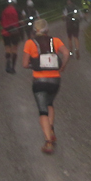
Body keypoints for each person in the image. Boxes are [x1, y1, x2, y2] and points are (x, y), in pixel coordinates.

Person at [22, 19, 70, 154]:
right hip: (55, 80)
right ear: (47, 30)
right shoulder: (56, 41)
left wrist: (34, 65)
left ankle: (48, 143)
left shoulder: (30, 43)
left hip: (39, 81)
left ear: (34, 30)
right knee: (50, 103)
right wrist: (62, 66)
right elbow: (66, 53)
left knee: (43, 110)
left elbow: (24, 64)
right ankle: (51, 130)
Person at [0, 0, 21, 74]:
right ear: (14, 3)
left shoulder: (4, 11)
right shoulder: (17, 11)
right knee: (14, 49)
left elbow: (0, 21)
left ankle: (8, 63)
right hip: (15, 32)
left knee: (7, 48)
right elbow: (21, 21)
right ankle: (13, 68)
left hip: (5, 32)